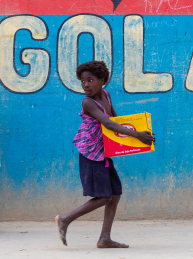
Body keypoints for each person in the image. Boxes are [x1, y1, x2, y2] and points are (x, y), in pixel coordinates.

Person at [55, 61, 155, 248]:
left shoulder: (106, 96)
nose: (86, 85)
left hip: (104, 152)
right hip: (91, 153)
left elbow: (116, 120)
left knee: (115, 193)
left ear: (102, 80)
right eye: (83, 81)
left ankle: (104, 238)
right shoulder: (88, 102)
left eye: (90, 80)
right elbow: (108, 124)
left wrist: (142, 133)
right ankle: (65, 219)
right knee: (104, 196)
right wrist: (136, 135)